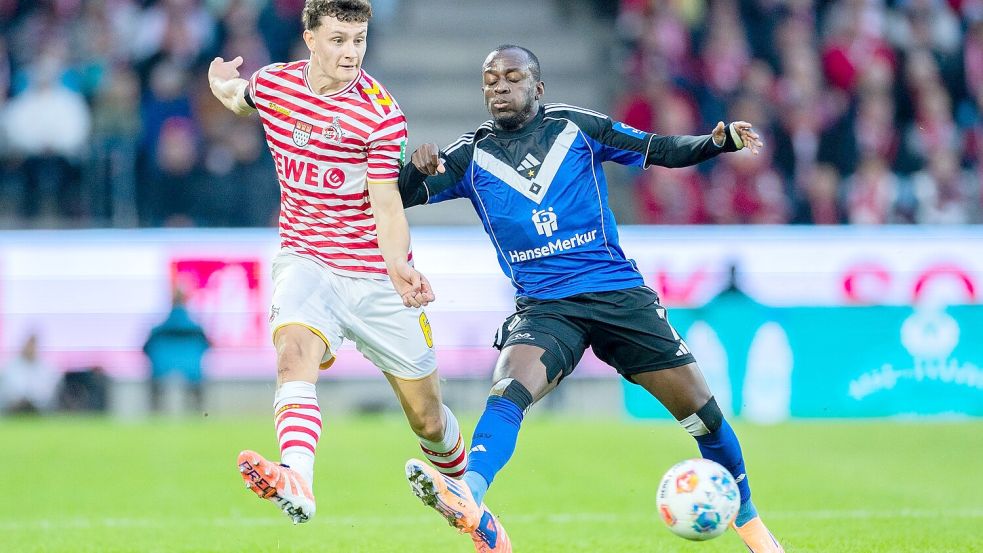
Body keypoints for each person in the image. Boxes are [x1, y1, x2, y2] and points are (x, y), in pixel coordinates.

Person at [398, 45, 783, 553]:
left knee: (703, 415)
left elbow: (657, 148)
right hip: (545, 307)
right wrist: (414, 169)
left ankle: (754, 529)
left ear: (539, 87)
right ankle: (468, 495)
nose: (499, 87)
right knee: (509, 389)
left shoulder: (577, 128)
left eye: (513, 77)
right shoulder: (468, 157)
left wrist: (714, 142)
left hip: (617, 295)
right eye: (490, 79)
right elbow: (397, 197)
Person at [206, 0, 468, 526]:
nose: (351, 53)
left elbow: (386, 200)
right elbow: (240, 98)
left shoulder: (379, 113)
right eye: (338, 39)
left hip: (374, 274)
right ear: (309, 38)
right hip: (307, 259)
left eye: (359, 40)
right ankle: (297, 478)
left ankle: (466, 497)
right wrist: (218, 80)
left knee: (429, 419)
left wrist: (398, 264)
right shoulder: (276, 85)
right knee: (292, 354)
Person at [142, 288, 210, 413]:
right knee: (196, 391)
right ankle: (197, 414)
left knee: (156, 391)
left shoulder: (158, 330)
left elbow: (145, 348)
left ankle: (155, 415)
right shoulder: (196, 329)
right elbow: (207, 346)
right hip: (192, 368)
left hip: (161, 367)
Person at [0, 333, 61, 414]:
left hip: (38, 408)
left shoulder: (46, 368)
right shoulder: (10, 366)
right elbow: (7, 389)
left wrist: (32, 399)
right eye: (28, 345)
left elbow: (47, 392)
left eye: (33, 345)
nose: (30, 348)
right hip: (12, 408)